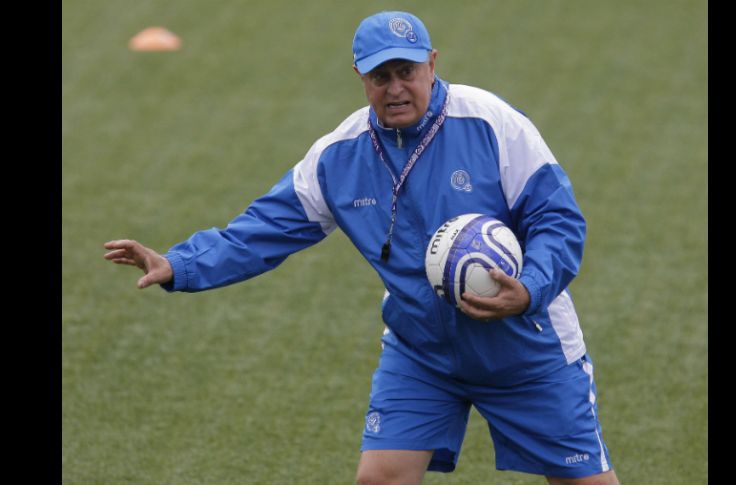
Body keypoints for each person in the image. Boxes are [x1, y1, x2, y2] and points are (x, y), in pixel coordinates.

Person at [104, 10, 620, 485]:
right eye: (380, 76)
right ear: (360, 76)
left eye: (406, 72)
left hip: (525, 349)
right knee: (379, 479)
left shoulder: (491, 123)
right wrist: (180, 264)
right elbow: (261, 230)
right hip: (422, 353)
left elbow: (557, 219)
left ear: (432, 64)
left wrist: (528, 290)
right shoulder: (338, 157)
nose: (395, 89)